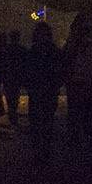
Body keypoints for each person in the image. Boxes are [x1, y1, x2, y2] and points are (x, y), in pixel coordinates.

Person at [61, 14, 92, 170]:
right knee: (81, 120)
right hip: (81, 84)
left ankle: (91, 155)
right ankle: (82, 155)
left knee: (91, 122)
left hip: (91, 84)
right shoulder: (76, 41)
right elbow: (67, 59)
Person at [21, 18, 63, 166]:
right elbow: (60, 72)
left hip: (39, 91)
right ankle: (43, 151)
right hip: (46, 91)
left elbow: (26, 71)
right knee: (46, 122)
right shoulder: (53, 51)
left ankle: (39, 152)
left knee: (38, 122)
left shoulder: (34, 51)